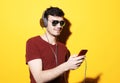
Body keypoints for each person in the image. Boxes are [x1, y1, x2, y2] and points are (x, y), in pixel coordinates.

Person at [25, 7, 85, 83]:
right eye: (54, 22)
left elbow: (63, 75)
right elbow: (39, 78)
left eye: (61, 23)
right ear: (45, 23)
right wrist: (67, 65)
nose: (59, 26)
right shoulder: (33, 43)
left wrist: (74, 63)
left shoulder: (64, 48)